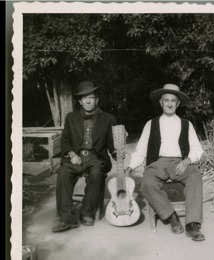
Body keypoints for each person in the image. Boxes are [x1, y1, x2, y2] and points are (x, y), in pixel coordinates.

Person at [125, 83, 205, 241]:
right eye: (166, 100)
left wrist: (187, 161)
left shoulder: (186, 124)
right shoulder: (151, 124)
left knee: (195, 176)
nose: (169, 104)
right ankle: (171, 216)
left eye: (173, 101)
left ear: (178, 103)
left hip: (179, 163)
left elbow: (197, 149)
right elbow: (140, 150)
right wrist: (130, 166)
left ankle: (192, 224)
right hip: (157, 163)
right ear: (160, 102)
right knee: (147, 183)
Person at [52, 80, 117, 233]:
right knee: (63, 173)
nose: (88, 101)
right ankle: (67, 218)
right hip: (75, 156)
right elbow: (65, 140)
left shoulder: (108, 119)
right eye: (84, 98)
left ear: (97, 100)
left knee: (96, 173)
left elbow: (111, 143)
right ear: (80, 101)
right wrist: (71, 153)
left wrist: (116, 153)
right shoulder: (71, 117)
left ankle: (87, 212)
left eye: (91, 97)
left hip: (95, 157)